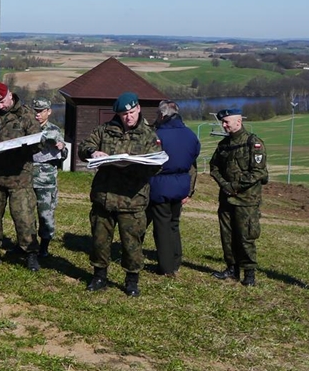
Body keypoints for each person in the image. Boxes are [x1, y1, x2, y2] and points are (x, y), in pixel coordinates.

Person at [77, 92, 161, 297]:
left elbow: (157, 164)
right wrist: (92, 152)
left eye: (131, 112)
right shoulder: (105, 130)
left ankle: (132, 279)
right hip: (104, 196)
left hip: (132, 199)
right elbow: (83, 147)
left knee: (132, 243)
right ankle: (99, 276)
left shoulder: (149, 135)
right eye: (124, 114)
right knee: (100, 240)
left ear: (138, 109)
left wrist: (137, 164)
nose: (128, 117)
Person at [0, 82, 43, 272]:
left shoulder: (26, 115)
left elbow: (38, 142)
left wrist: (30, 145)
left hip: (19, 177)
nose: (0, 106)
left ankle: (30, 253)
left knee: (24, 218)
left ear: (10, 95)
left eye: (2, 101)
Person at [209, 107, 268, 287]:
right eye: (223, 122)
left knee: (245, 236)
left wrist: (235, 186)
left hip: (246, 200)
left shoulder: (253, 143)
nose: (224, 125)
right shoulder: (224, 145)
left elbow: (258, 172)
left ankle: (249, 272)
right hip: (227, 198)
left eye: (227, 122)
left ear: (238, 121)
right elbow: (214, 167)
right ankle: (231, 268)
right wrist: (225, 186)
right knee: (227, 235)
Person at [147, 100, 199, 277]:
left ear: (162, 115)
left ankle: (166, 267)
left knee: (161, 225)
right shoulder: (191, 135)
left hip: (160, 185)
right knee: (174, 224)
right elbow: (193, 160)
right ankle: (176, 260)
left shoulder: (156, 135)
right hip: (181, 184)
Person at [31, 96, 67, 258]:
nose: (37, 114)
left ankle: (44, 246)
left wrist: (61, 147)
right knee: (26, 214)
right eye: (35, 111)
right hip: (27, 179)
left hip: (46, 181)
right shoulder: (28, 128)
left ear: (48, 112)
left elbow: (63, 154)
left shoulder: (54, 130)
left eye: (41, 111)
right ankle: (28, 244)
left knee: (45, 214)